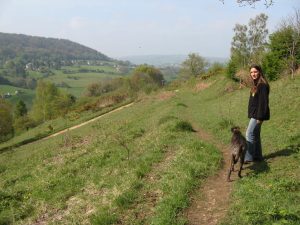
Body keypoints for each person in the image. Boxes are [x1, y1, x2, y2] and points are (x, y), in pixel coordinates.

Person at [244, 64, 270, 163]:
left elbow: (263, 102)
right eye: (251, 72)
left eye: (255, 72)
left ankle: (248, 157)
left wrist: (260, 117)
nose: (253, 74)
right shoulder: (256, 84)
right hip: (255, 114)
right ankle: (258, 156)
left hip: (258, 115)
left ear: (259, 72)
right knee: (255, 134)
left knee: (249, 133)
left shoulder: (262, 85)